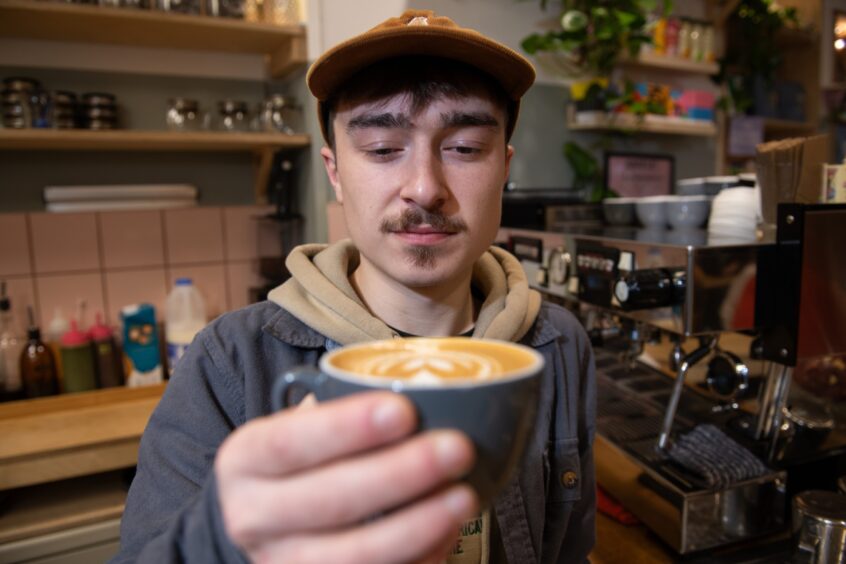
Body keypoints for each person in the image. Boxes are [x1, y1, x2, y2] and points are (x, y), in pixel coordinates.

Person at [112, 9, 595, 564]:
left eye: (463, 148)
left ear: (504, 167)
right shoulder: (229, 362)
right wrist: (222, 543)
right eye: (384, 150)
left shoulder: (558, 346)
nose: (424, 188)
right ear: (335, 172)